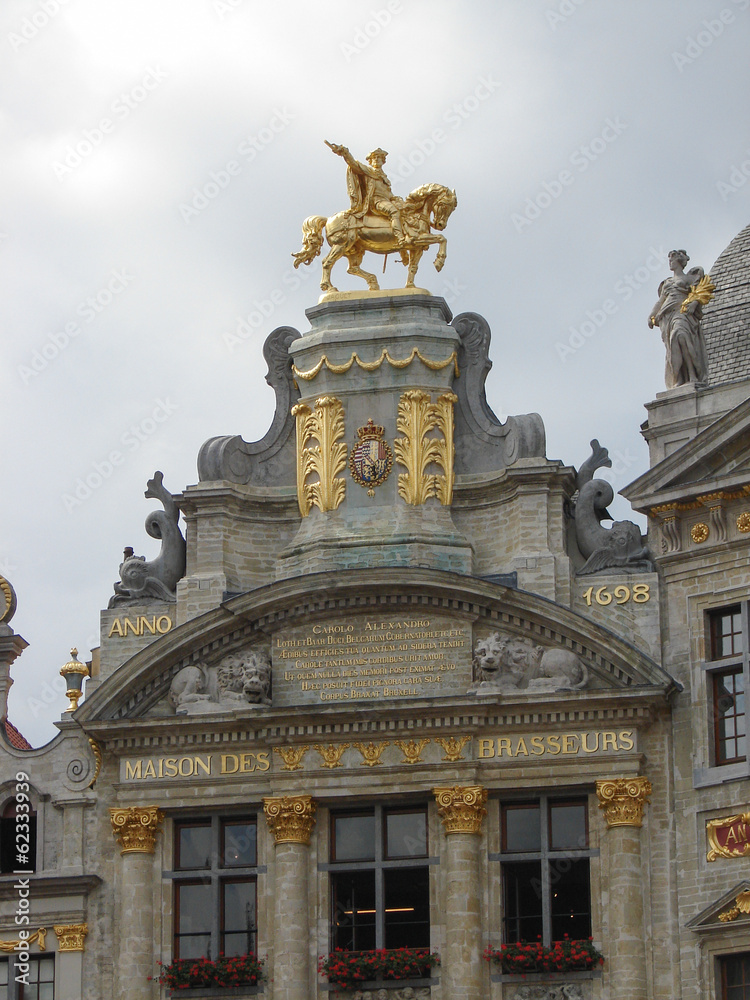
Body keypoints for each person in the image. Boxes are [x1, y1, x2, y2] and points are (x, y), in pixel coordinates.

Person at [326, 141, 408, 247]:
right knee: (394, 212)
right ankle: (400, 238)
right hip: (376, 201)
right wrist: (345, 152)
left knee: (405, 213)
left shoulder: (384, 177)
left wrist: (396, 199)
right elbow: (353, 164)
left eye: (379, 157)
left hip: (385, 200)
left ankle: (403, 252)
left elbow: (388, 194)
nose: (377, 159)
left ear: (383, 161)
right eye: (374, 157)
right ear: (370, 161)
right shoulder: (368, 171)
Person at [648, 249, 708, 388]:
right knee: (672, 347)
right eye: (669, 260)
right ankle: (679, 377)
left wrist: (693, 304)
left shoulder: (690, 278)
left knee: (680, 335)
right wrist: (651, 314)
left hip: (683, 313)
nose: (670, 262)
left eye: (672, 260)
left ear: (680, 262)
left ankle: (693, 374)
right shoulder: (667, 283)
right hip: (667, 316)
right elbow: (661, 301)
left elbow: (699, 293)